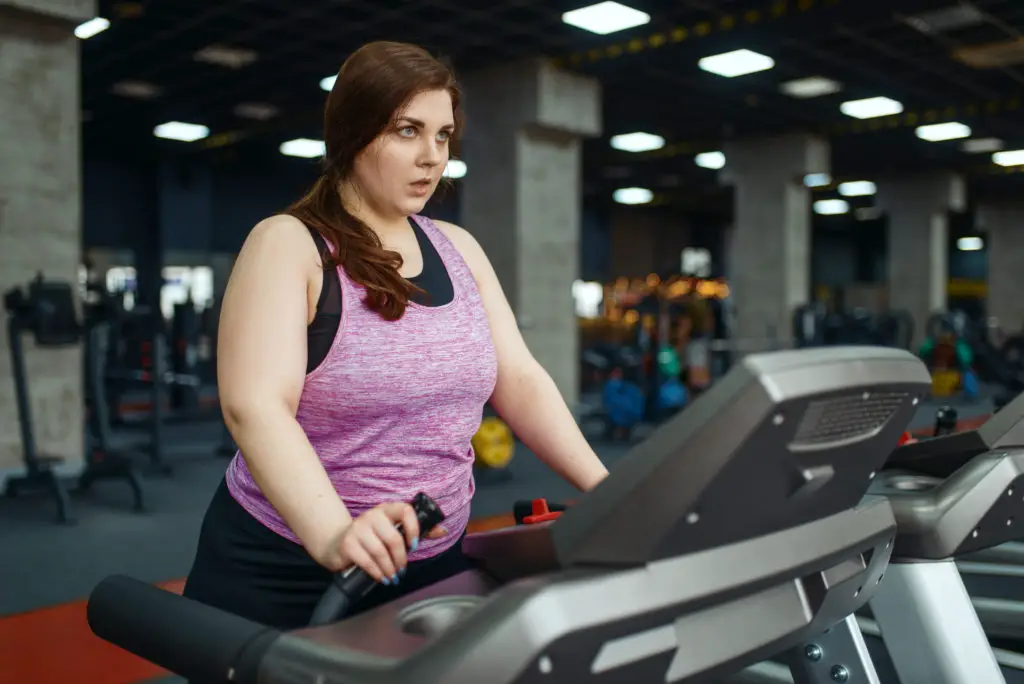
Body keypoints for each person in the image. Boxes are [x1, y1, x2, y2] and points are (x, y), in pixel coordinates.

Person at [182, 40, 610, 636]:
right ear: (355, 133)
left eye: (442, 136)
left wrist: (611, 490)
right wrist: (335, 531)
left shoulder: (458, 248)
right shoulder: (289, 245)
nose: (431, 157)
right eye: (407, 130)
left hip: (434, 559)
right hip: (291, 568)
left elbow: (519, 379)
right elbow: (253, 406)